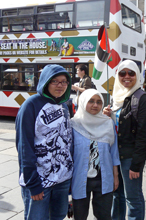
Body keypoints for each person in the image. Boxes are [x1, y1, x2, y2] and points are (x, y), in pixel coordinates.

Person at [16, 64, 73, 220]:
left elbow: (67, 140)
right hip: (39, 181)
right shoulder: (30, 105)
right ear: (45, 82)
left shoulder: (64, 105)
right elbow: (24, 147)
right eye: (55, 81)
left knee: (58, 217)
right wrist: (33, 183)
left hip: (62, 180)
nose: (60, 85)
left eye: (64, 81)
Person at [103, 60, 146, 220]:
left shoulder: (141, 99)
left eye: (131, 73)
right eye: (122, 73)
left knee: (133, 197)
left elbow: (142, 136)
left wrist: (136, 165)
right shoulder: (115, 97)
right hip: (114, 156)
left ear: (137, 75)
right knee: (116, 195)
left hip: (130, 157)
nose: (126, 76)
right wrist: (106, 115)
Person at [71, 89, 120, 220]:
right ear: (82, 102)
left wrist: (115, 176)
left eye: (99, 102)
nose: (95, 105)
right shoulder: (73, 124)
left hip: (104, 178)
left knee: (104, 215)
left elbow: (114, 152)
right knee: (80, 216)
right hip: (80, 179)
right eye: (91, 101)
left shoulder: (108, 123)